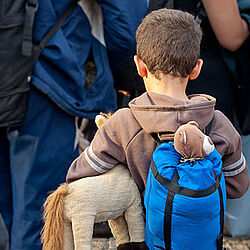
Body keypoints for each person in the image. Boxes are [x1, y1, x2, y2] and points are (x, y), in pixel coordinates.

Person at [0, 1, 147, 250]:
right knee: (44, 217)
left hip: (10, 68)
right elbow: (125, 26)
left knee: (9, 214)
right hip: (51, 76)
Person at [66, 8, 249, 207]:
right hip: (201, 236)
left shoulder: (122, 124)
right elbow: (237, 186)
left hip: (143, 235)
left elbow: (78, 176)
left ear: (139, 66)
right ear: (196, 68)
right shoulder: (219, 123)